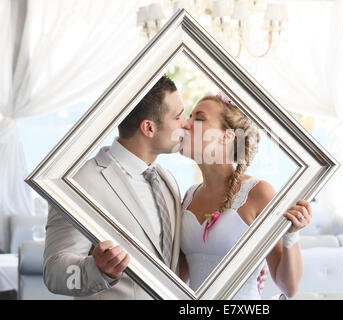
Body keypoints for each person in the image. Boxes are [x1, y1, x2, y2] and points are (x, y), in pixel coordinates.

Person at [43, 75, 268, 299]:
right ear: (149, 128)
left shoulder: (168, 181)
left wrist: (247, 268)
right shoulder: (80, 183)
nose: (186, 124)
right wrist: (97, 270)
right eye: (179, 116)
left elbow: (176, 268)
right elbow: (54, 272)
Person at [177, 93, 312, 299]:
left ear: (227, 137)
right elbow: (178, 278)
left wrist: (291, 234)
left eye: (199, 118)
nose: (186, 124)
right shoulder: (188, 197)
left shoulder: (259, 193)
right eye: (189, 116)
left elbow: (289, 287)